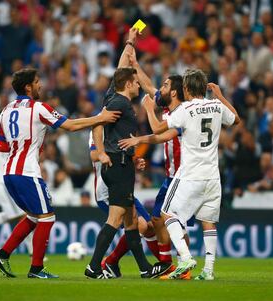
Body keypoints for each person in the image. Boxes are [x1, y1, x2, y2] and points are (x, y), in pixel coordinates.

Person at [0, 67, 120, 279]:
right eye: (37, 81)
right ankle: (36, 269)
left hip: (9, 172)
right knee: (47, 217)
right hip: (27, 172)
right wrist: (100, 118)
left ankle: (3, 254)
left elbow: (2, 147)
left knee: (34, 216)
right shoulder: (38, 108)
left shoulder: (4, 111)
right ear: (28, 87)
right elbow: (70, 125)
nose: (40, 84)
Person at [119, 78, 239, 280]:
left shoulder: (185, 110)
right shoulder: (216, 106)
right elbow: (236, 119)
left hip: (190, 174)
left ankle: (184, 258)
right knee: (208, 222)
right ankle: (208, 271)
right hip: (212, 176)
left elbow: (158, 129)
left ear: (186, 88)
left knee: (167, 214)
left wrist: (149, 108)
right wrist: (220, 96)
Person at [85, 28, 171, 279]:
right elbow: (97, 124)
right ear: (127, 84)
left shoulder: (115, 96)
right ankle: (94, 266)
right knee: (117, 220)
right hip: (116, 170)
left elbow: (123, 64)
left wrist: (131, 40)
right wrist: (101, 153)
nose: (137, 84)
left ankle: (144, 269)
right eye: (135, 81)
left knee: (132, 223)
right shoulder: (118, 103)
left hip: (123, 165)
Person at [88, 135, 162, 278]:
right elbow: (94, 155)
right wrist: (118, 153)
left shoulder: (121, 125)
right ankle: (109, 262)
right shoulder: (101, 126)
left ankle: (163, 267)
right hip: (107, 192)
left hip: (124, 187)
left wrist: (132, 161)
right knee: (140, 225)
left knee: (149, 226)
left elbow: (120, 158)